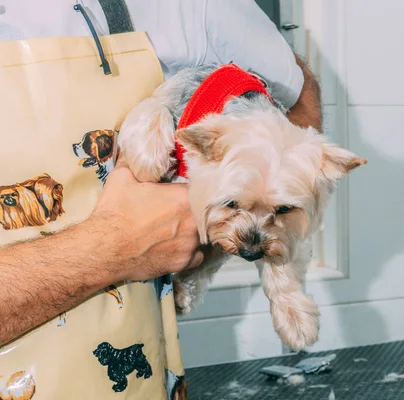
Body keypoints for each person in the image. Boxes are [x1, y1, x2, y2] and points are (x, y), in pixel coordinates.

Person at [0, 1, 321, 398]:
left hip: (137, 345)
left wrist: (251, 217)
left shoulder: (196, 7)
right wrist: (113, 245)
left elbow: (299, 99)